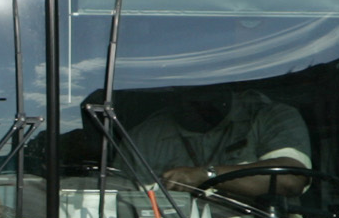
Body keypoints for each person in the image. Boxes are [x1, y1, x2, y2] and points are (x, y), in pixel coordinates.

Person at [126, 84, 312, 206]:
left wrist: (205, 175)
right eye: (184, 92)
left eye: (202, 92)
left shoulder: (270, 116)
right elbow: (120, 202)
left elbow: (289, 180)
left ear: (225, 86)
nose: (192, 103)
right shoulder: (145, 136)